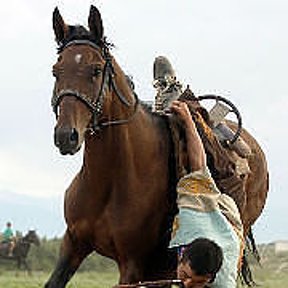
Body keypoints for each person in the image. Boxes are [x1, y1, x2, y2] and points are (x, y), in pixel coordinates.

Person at [168, 100, 244, 288]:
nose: (187, 284)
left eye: (198, 282)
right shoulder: (193, 214)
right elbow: (199, 165)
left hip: (229, 242)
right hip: (221, 213)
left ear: (210, 278)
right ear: (182, 257)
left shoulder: (223, 282)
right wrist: (187, 120)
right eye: (185, 275)